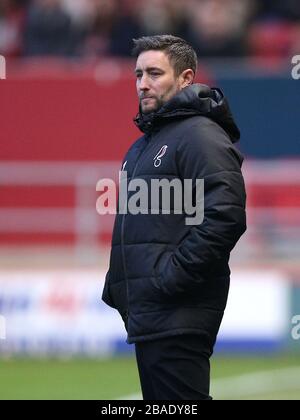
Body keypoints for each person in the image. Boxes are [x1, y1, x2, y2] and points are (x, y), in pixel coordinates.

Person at [102, 35, 246, 400]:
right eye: (138, 74)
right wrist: (120, 288)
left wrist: (170, 278)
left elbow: (225, 215)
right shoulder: (145, 144)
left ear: (185, 78)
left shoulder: (199, 135)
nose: (143, 83)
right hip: (151, 312)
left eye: (154, 73)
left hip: (178, 309)